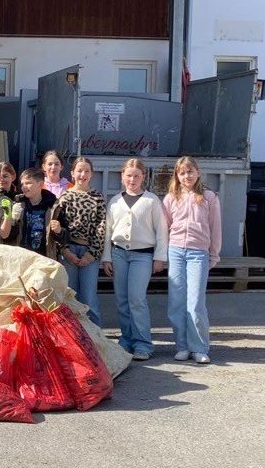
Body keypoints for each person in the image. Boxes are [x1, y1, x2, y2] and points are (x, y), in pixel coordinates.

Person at [101, 158, 168, 361]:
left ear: (143, 177)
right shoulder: (115, 201)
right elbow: (108, 232)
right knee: (122, 300)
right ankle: (126, 339)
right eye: (128, 175)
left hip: (142, 256)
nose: (132, 179)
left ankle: (143, 343)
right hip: (119, 253)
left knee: (137, 299)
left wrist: (159, 258)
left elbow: (161, 232)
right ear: (122, 177)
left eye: (136, 176)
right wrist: (107, 258)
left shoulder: (151, 201)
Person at [163, 156, 222, 365]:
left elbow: (215, 228)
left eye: (190, 171)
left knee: (195, 302)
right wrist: (163, 254)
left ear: (198, 173)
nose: (186, 176)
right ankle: (182, 346)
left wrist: (214, 254)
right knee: (176, 301)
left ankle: (199, 347)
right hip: (176, 251)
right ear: (177, 177)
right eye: (182, 173)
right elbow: (165, 228)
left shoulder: (208, 197)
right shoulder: (171, 198)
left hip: (199, 252)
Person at [56, 156, 105, 326]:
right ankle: (74, 335)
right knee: (70, 296)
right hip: (70, 251)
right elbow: (59, 227)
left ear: (91, 174)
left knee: (89, 297)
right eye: (79, 170)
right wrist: (65, 251)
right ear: (72, 173)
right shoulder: (65, 197)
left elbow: (102, 227)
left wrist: (91, 255)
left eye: (86, 171)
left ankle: (96, 337)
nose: (82, 174)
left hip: (89, 253)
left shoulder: (97, 197)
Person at [12, 167, 60, 257]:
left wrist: (59, 231)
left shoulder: (53, 206)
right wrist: (12, 221)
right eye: (22, 184)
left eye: (28, 183)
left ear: (41, 184)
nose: (24, 187)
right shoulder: (19, 205)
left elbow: (64, 237)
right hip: (22, 256)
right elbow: (10, 235)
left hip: (43, 257)